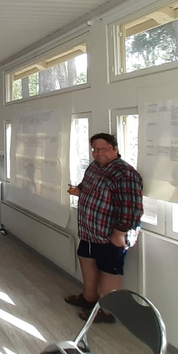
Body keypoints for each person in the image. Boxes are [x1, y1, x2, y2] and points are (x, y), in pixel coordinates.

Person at [65, 133, 143, 323]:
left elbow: (132, 208)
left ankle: (108, 311)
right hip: (90, 230)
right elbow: (86, 186)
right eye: (95, 149)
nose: (98, 153)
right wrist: (78, 190)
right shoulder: (94, 167)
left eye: (103, 149)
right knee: (86, 258)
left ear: (115, 149)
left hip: (111, 234)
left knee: (109, 271)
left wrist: (120, 232)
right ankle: (89, 297)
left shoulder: (125, 173)